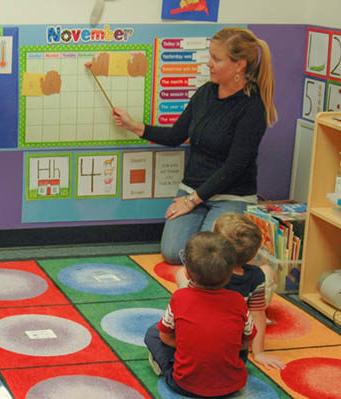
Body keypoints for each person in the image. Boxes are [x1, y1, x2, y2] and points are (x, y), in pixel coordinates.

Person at [107, 27, 277, 265]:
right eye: (210, 57)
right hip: (193, 189)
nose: (209, 64)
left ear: (239, 65)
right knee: (172, 252)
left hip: (230, 194)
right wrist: (133, 125)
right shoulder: (206, 93)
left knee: (212, 258)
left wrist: (192, 200)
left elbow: (235, 167)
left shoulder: (252, 107)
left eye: (216, 59)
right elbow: (177, 135)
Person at [144, 231, 257, 398]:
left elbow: (165, 336)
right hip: (232, 386)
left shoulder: (180, 297)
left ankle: (166, 367)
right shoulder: (239, 301)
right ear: (230, 274)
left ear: (188, 273)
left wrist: (190, 346)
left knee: (153, 333)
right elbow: (247, 341)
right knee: (236, 338)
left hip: (184, 385)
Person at [176, 213, 285, 370]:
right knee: (268, 271)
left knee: (181, 273)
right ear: (253, 253)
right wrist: (259, 352)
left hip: (208, 314)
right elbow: (258, 315)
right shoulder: (256, 275)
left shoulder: (205, 271)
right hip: (239, 323)